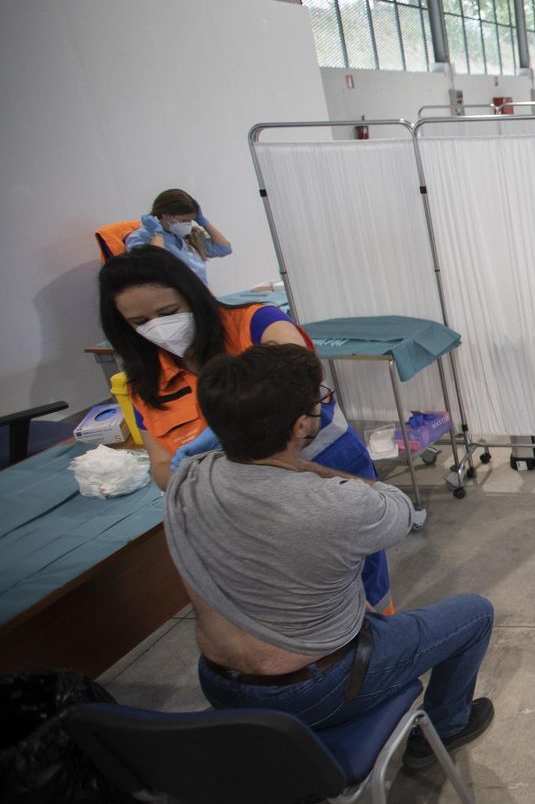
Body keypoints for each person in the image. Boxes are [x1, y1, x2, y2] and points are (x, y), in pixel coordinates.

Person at [168, 343, 494, 766]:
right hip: (314, 692)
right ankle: (446, 727)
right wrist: (309, 468)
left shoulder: (189, 480)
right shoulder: (335, 506)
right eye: (320, 398)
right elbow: (399, 509)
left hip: (219, 685)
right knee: (475, 613)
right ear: (302, 425)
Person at [99, 247, 395, 610]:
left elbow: (299, 371)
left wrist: (227, 437)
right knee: (292, 605)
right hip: (247, 512)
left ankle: (383, 653)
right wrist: (189, 468)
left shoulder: (254, 324)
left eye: (168, 313)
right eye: (139, 322)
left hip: (325, 472)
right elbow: (163, 469)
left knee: (363, 590)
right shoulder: (146, 383)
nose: (157, 327)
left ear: (192, 295)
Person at [122, 188, 232, 284]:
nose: (188, 225)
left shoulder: (186, 236)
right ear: (165, 216)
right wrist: (158, 234)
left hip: (199, 298)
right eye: (184, 220)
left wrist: (203, 222)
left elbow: (224, 249)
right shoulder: (141, 237)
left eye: (190, 220)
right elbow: (152, 268)